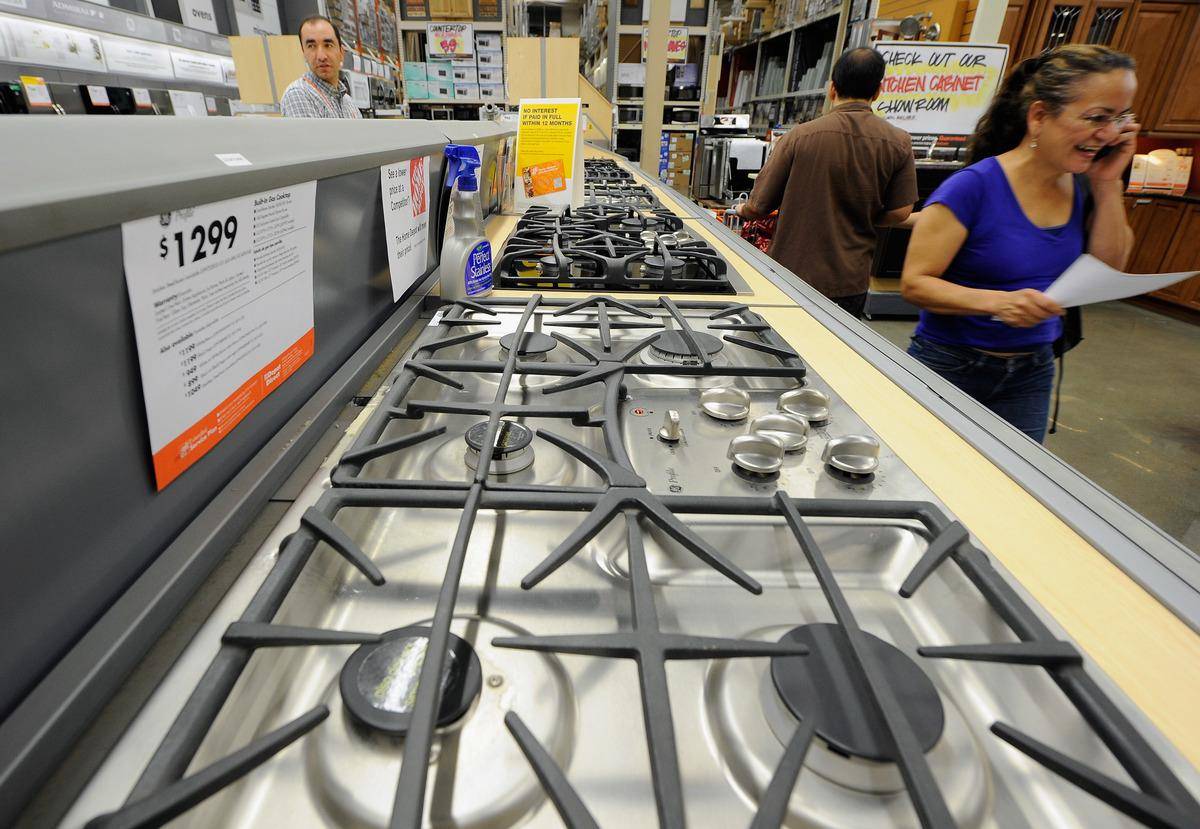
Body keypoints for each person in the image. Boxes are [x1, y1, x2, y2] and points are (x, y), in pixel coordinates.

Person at [900, 45, 1138, 443]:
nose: (1110, 134)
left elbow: (1108, 267)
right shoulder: (973, 187)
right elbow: (916, 283)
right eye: (1097, 117)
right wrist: (998, 302)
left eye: (1120, 118)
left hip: (1032, 369)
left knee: (1014, 489)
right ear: (1040, 116)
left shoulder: (1083, 184)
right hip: (949, 365)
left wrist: (1108, 182)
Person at [736, 47, 918, 319]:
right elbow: (901, 212)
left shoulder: (800, 136)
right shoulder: (899, 142)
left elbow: (759, 205)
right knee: (832, 356)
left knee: (783, 351)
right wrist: (863, 214)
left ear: (832, 88)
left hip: (791, 274)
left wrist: (740, 210)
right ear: (878, 91)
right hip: (849, 280)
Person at [280, 15, 361, 119]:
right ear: (304, 53)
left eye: (328, 45)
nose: (321, 56)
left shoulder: (349, 103)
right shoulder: (298, 94)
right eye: (311, 46)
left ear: (341, 53)